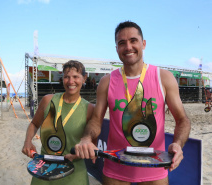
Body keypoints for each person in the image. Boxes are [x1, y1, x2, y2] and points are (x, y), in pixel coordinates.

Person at [74, 21, 191, 185]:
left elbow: (182, 120)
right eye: (122, 43)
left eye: (133, 40)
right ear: (116, 49)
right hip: (115, 168)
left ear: (143, 44)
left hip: (155, 168)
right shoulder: (106, 82)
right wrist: (86, 138)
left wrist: (177, 144)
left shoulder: (163, 77)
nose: (128, 47)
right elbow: (96, 120)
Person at [22, 60, 94, 185]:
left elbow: (92, 143)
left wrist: (77, 155)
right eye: (67, 77)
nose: (71, 82)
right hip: (45, 167)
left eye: (76, 77)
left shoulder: (89, 109)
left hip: (74, 170)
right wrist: (28, 141)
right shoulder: (48, 100)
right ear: (62, 79)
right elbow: (34, 124)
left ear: (84, 78)